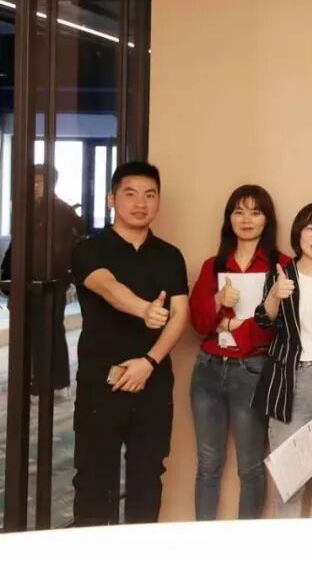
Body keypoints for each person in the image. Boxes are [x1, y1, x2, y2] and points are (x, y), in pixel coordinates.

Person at [70, 161, 188, 525]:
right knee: (94, 480)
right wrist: (144, 310)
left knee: (147, 480)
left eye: (150, 195)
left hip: (153, 382)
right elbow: (107, 286)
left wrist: (148, 363)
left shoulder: (170, 255)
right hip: (100, 381)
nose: (140, 203)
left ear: (158, 201)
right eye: (130, 194)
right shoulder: (89, 249)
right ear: (112, 198)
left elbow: (180, 314)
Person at [188, 184, 288, 520]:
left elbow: (272, 330)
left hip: (253, 370)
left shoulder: (281, 266)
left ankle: (247, 542)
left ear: (267, 219)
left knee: (250, 466)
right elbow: (199, 323)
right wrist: (218, 301)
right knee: (208, 464)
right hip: (208, 369)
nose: (246, 219)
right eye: (239, 211)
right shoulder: (213, 265)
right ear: (228, 218)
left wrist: (228, 325)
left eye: (255, 212)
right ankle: (203, 538)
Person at [251, 201, 312, 518]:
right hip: (290, 383)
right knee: (289, 484)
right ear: (299, 233)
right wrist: (275, 294)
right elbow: (263, 322)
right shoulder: (281, 274)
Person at [1, 163, 86, 394]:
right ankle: (35, 379)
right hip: (26, 280)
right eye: (33, 181)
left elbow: (77, 242)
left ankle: (56, 381)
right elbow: (16, 245)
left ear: (51, 184)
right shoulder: (25, 209)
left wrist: (69, 276)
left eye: (40, 181)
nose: (36, 186)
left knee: (50, 330)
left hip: (52, 281)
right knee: (29, 330)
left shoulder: (62, 210)